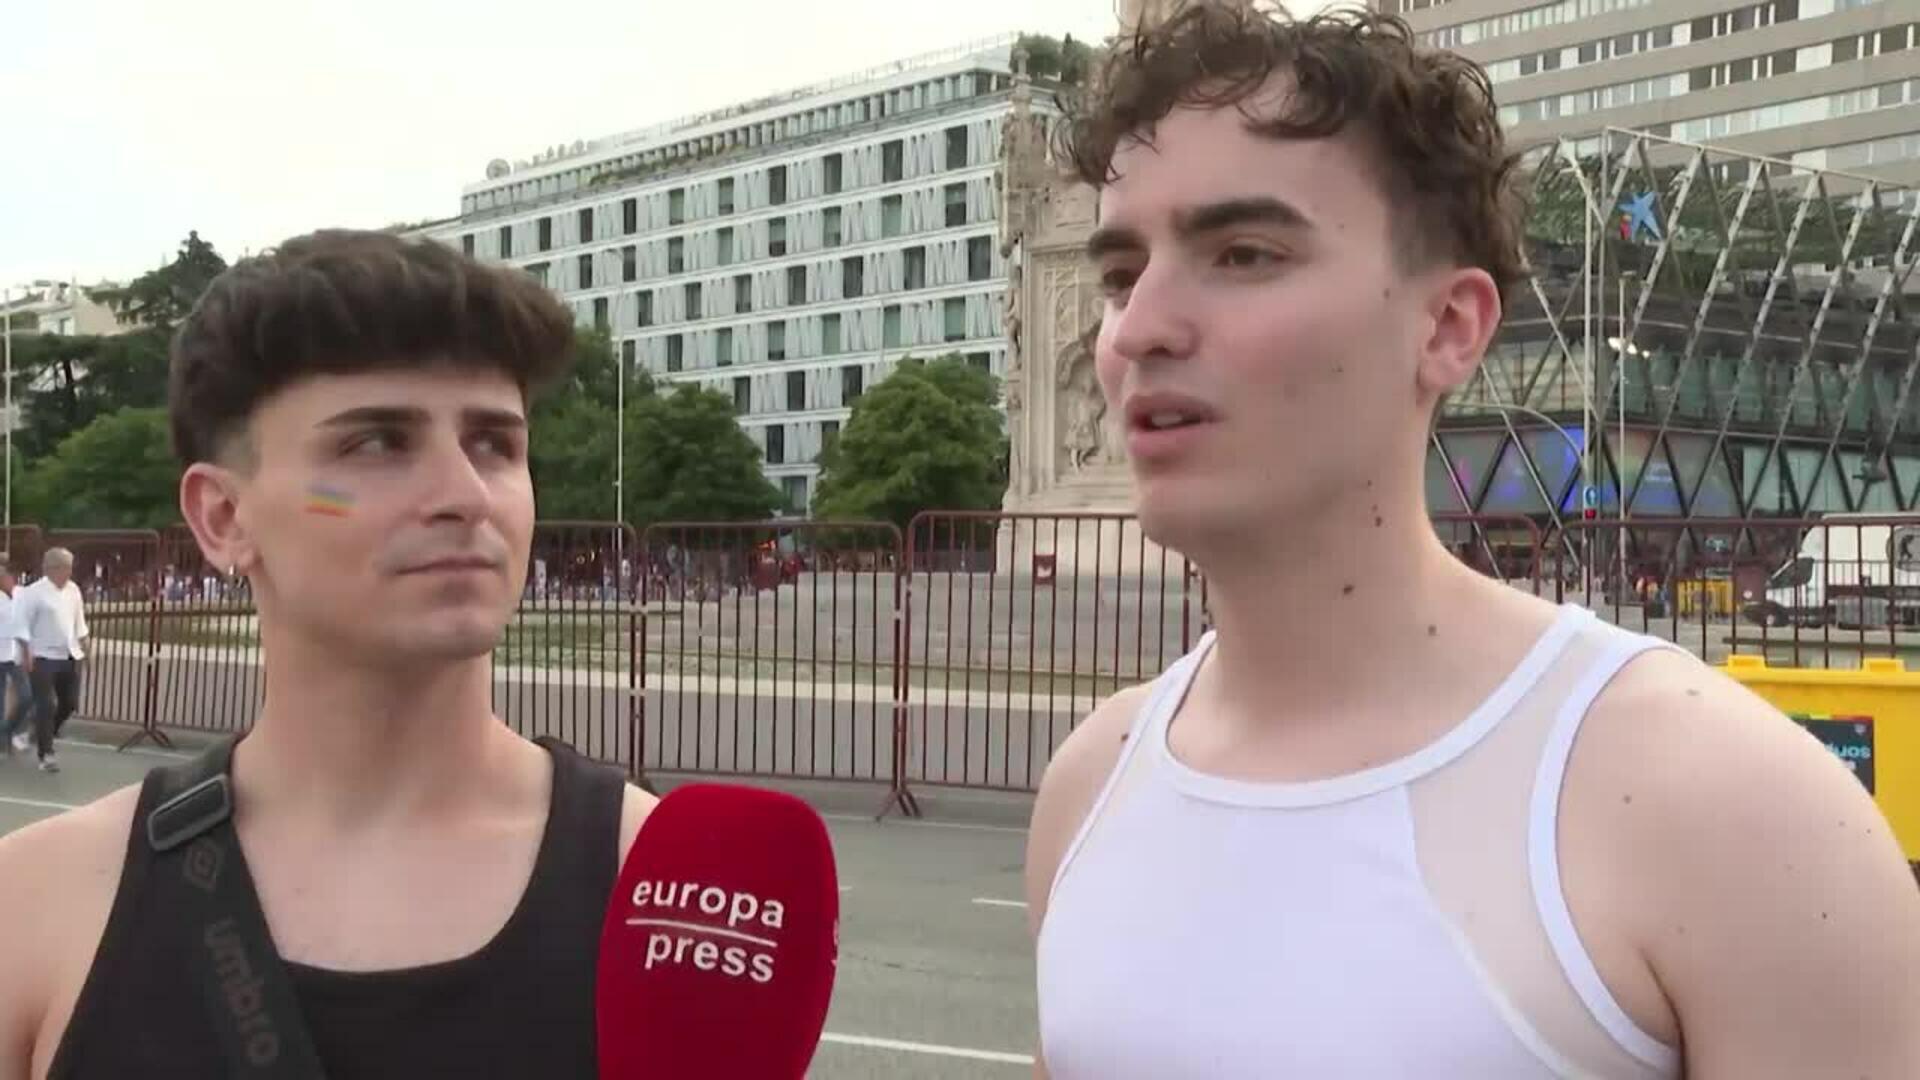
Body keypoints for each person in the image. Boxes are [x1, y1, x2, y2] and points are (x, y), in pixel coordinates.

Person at [1025, 7, 1920, 1079]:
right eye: (1122, 273)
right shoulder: (1091, 787)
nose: (1136, 328)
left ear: (1448, 327)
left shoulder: (1732, 814)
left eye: (1243, 253)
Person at [0, 229, 656, 1078]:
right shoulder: (40, 907)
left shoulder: (664, 892)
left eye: (495, 443)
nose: (466, 494)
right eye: (377, 443)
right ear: (223, 519)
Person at [14, 548, 90, 774]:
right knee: (47, 704)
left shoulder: (73, 590)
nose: (69, 572)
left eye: (70, 568)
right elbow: (21, 625)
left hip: (68, 654)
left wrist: (86, 644)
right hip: (42, 656)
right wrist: (26, 653)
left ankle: (38, 732)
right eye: (66, 568)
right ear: (52, 569)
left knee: (69, 703)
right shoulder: (33, 593)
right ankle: (46, 754)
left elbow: (79, 622)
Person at [0, 561, 31, 756]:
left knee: (26, 696)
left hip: (16, 655)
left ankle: (7, 730)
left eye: (4, 576)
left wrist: (28, 652)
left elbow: (24, 624)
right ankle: (3, 742)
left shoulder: (22, 595)